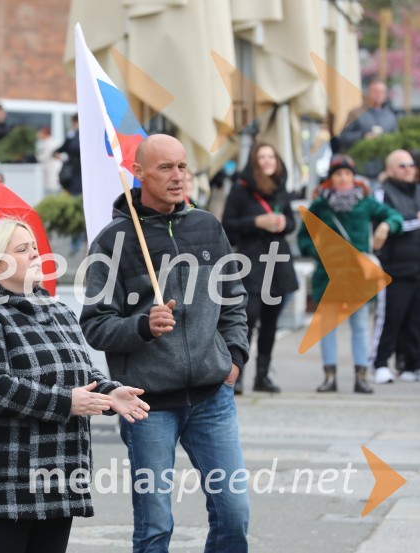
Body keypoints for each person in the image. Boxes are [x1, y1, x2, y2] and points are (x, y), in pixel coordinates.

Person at [80, 134, 251, 552]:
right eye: (165, 168)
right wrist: (142, 326)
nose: (178, 177)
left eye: (182, 166)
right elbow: (95, 325)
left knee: (234, 513)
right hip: (148, 403)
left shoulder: (208, 226)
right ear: (137, 174)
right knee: (156, 524)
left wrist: (234, 358)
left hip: (213, 397)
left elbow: (234, 298)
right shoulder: (113, 241)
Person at [0, 219, 147, 553]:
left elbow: (80, 371)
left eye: (34, 246)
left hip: (60, 472)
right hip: (1, 480)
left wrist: (109, 393)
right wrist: (67, 403)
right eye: (22, 250)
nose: (35, 254)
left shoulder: (59, 310)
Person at [298, 155, 403, 394]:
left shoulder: (366, 202)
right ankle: (329, 376)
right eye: (338, 174)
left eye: (347, 174)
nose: (343, 178)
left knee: (359, 326)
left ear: (353, 177)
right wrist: (320, 252)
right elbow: (304, 237)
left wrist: (386, 227)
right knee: (328, 326)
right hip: (329, 274)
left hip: (357, 274)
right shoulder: (320, 205)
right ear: (331, 179)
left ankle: (361, 376)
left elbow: (393, 216)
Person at [222, 142, 298, 394]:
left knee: (271, 323)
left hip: (278, 264)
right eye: (262, 157)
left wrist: (284, 222)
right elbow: (228, 225)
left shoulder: (280, 188)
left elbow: (291, 224)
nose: (267, 161)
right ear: (254, 161)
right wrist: (257, 221)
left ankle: (263, 375)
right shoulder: (241, 189)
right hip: (252, 265)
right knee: (247, 320)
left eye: (271, 156)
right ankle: (238, 375)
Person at [369, 150, 420, 384]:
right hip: (394, 268)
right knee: (390, 318)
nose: (409, 168)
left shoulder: (417, 190)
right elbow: (387, 221)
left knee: (414, 319)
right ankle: (379, 363)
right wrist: (415, 220)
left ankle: (412, 364)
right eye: (402, 165)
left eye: (410, 164)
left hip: (416, 266)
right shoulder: (382, 192)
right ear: (390, 169)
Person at [336, 80, 399, 179]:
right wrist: (363, 136)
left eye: (381, 92)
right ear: (368, 92)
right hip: (359, 168)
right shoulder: (356, 113)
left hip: (382, 170)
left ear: (385, 95)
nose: (378, 95)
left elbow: (396, 142)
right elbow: (343, 137)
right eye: (375, 91)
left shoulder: (390, 116)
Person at [54, 114, 82, 196]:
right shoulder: (72, 136)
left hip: (77, 170)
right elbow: (60, 150)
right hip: (74, 169)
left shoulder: (74, 136)